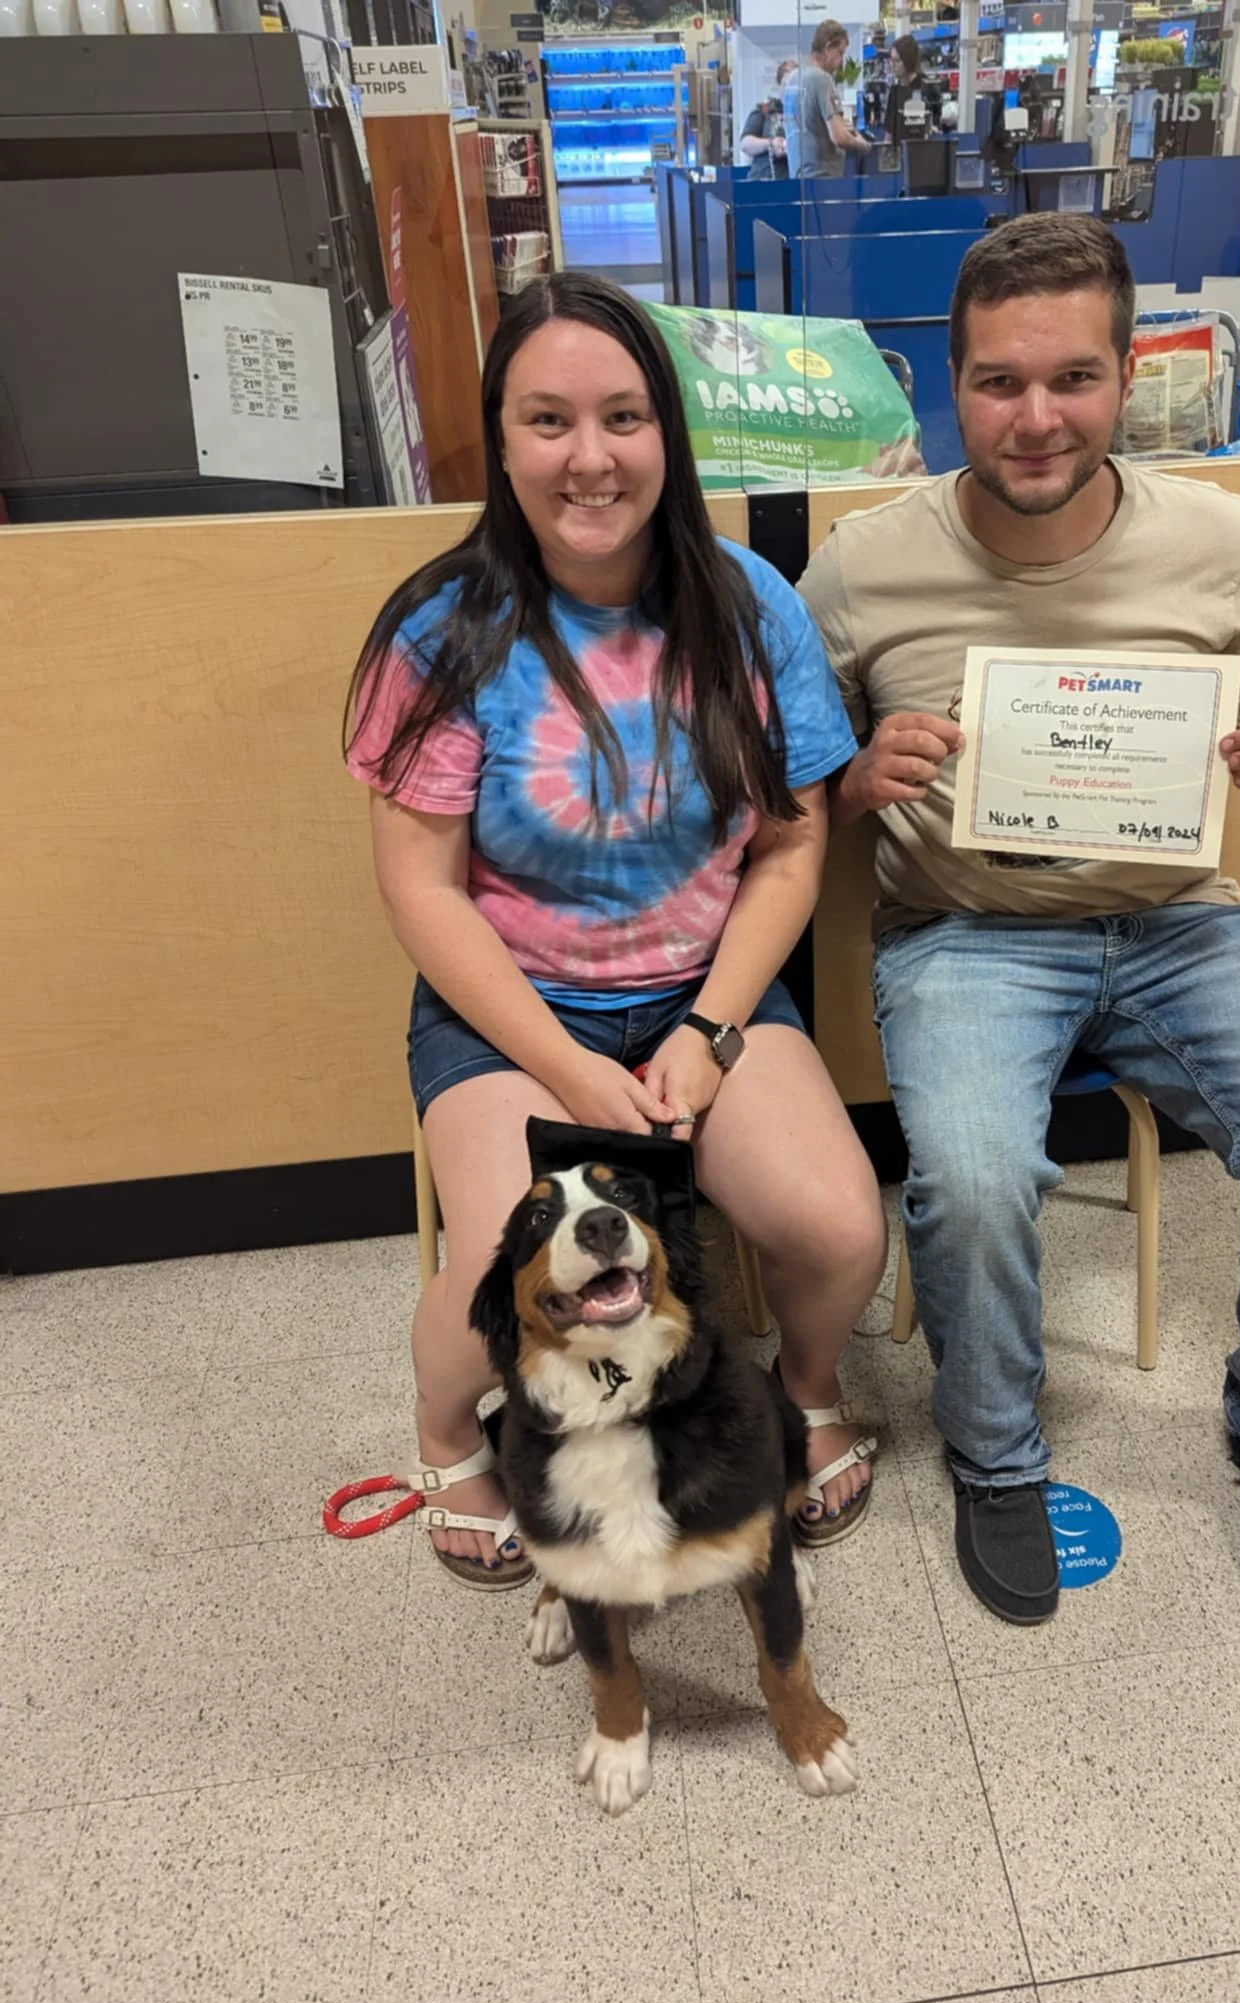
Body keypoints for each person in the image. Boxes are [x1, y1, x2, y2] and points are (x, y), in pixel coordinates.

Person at [799, 216, 1240, 1625]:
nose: (1034, 418)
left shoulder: (1218, 534)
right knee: (971, 1172)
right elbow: (776, 790)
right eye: (999, 383)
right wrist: (842, 784)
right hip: (965, 932)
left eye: (1071, 378)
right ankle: (996, 1459)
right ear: (951, 384)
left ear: (1128, 375)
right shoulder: (862, 564)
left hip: (1187, 921)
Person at [345, 271, 885, 1586]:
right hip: (512, 1018)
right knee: (499, 1278)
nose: (589, 457)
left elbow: (792, 841)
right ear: (501, 439)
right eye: (546, 422)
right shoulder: (442, 629)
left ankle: (802, 1393)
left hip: (707, 995)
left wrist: (706, 1031)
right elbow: (422, 891)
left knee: (838, 1226)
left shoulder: (749, 604)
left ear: (667, 435)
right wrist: (578, 1074)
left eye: (622, 417)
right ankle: (439, 1434)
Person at [787, 20, 871, 180]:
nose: (841, 61)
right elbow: (839, 136)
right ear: (827, 48)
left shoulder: (793, 79)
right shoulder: (822, 79)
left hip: (798, 179)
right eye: (840, 53)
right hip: (822, 181)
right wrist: (861, 144)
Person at [742, 58, 799, 180]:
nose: (789, 89)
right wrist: (770, 144)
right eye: (786, 84)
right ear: (779, 85)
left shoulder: (805, 113)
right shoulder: (765, 110)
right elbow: (745, 144)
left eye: (794, 84)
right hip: (764, 178)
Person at [881, 34, 941, 143]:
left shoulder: (927, 87)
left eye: (897, 61)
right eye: (891, 60)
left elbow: (937, 127)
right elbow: (889, 134)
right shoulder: (894, 92)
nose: (893, 65)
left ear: (909, 60)